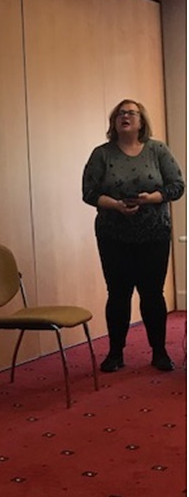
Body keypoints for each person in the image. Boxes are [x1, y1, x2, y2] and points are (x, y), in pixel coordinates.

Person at [82, 99, 185, 372]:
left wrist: (152, 198)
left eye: (130, 113)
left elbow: (177, 186)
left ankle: (159, 352)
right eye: (120, 113)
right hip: (113, 235)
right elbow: (89, 193)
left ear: (141, 121)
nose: (124, 117)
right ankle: (115, 353)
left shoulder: (157, 150)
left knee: (152, 294)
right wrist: (116, 205)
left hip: (154, 234)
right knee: (118, 293)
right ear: (114, 122)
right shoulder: (102, 154)